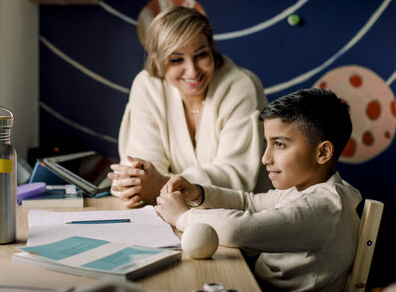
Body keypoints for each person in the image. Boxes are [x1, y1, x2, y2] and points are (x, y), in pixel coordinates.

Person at [155, 88, 362, 291]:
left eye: (279, 144)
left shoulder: (323, 207)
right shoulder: (303, 188)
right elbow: (249, 203)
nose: (265, 158)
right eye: (268, 144)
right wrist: (199, 194)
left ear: (323, 152)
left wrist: (182, 216)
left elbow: (236, 230)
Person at [108, 6, 268, 208]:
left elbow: (235, 178)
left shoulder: (239, 85)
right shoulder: (147, 86)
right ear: (157, 61)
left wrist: (161, 185)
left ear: (211, 46)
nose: (192, 71)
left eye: (201, 55)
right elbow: (144, 166)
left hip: (249, 213)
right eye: (176, 59)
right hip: (179, 213)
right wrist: (135, 182)